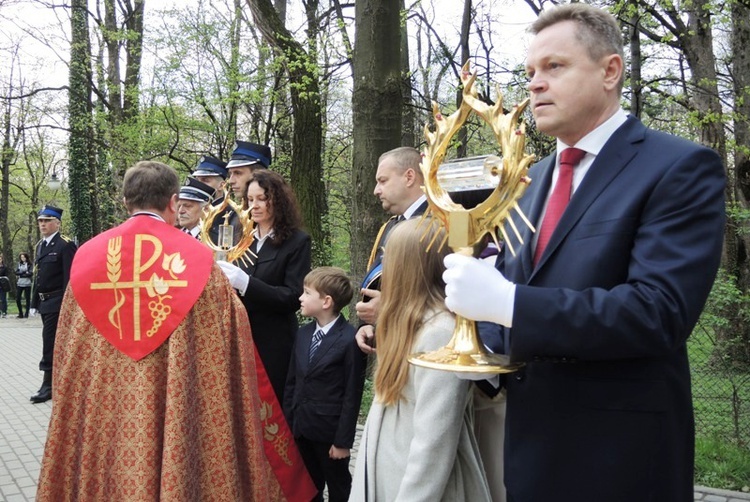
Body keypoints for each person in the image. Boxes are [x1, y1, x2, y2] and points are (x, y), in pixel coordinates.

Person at [441, 4, 725, 501]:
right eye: (530, 72)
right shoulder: (530, 185)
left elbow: (658, 312)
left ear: (610, 71)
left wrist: (509, 303)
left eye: (555, 67)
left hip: (620, 458)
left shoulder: (678, 168)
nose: (534, 84)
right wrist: (477, 347)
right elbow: (510, 287)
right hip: (530, 451)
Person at [36, 160, 316, 501]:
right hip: (177, 407)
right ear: (172, 202)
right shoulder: (199, 261)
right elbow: (226, 347)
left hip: (106, 408)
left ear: (126, 202)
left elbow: (67, 348)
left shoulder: (87, 257)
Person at [350, 219, 491, 501]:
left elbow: (434, 444)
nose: (383, 268)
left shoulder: (440, 333)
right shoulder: (408, 325)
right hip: (389, 474)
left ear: (409, 266)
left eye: (389, 258)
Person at [219, 169, 312, 403]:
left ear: (277, 200)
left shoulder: (296, 241)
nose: (255, 205)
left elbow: (292, 297)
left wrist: (246, 283)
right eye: (250, 200)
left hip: (274, 342)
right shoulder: (241, 238)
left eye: (262, 198)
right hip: (239, 337)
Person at [283, 266, 365, 502]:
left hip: (329, 434)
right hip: (301, 429)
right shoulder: (303, 333)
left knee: (338, 486)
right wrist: (290, 424)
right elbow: (292, 382)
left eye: (307, 293)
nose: (300, 297)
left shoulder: (349, 339)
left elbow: (352, 394)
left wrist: (343, 442)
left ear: (326, 301)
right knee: (308, 487)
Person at [354, 146, 428, 354]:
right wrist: (367, 324)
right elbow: (379, 284)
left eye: (383, 181)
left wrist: (388, 310)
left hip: (424, 348)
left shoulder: (439, 223)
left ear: (409, 177)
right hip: (390, 347)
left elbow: (441, 295)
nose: (376, 190)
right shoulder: (390, 227)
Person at [29, 204, 78, 404]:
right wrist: (33, 302)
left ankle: (48, 385)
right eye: (41, 221)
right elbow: (36, 277)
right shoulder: (40, 245)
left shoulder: (65, 245)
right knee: (52, 342)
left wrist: (69, 304)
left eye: (47, 221)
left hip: (58, 302)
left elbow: (69, 277)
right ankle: (58, 383)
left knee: (50, 342)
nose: (43, 224)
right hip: (44, 303)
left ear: (57, 223)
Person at [15, 253, 33, 318]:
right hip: (20, 283)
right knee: (17, 298)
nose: (23, 259)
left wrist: (23, 274)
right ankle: (20, 312)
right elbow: (16, 272)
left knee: (27, 299)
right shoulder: (19, 264)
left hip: (27, 283)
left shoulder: (30, 264)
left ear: (26, 257)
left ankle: (26, 313)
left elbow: (30, 273)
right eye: (21, 257)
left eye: (24, 257)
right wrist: (24, 273)